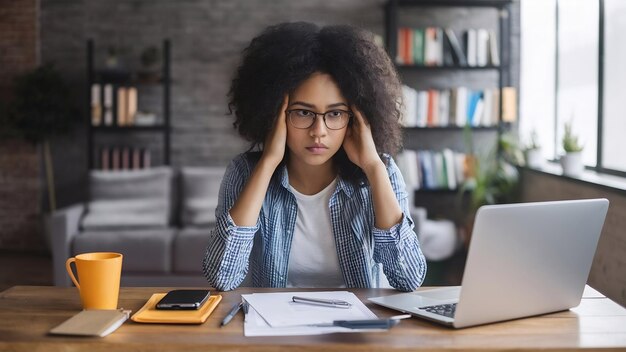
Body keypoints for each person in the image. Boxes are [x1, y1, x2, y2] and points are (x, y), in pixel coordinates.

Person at [202, 22, 427, 292]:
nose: (318, 132)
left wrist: (373, 168)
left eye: (334, 114)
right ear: (274, 114)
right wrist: (269, 162)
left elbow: (409, 279)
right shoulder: (244, 172)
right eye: (303, 112)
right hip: (276, 327)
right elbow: (222, 277)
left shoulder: (382, 173)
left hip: (357, 330)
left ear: (355, 120)